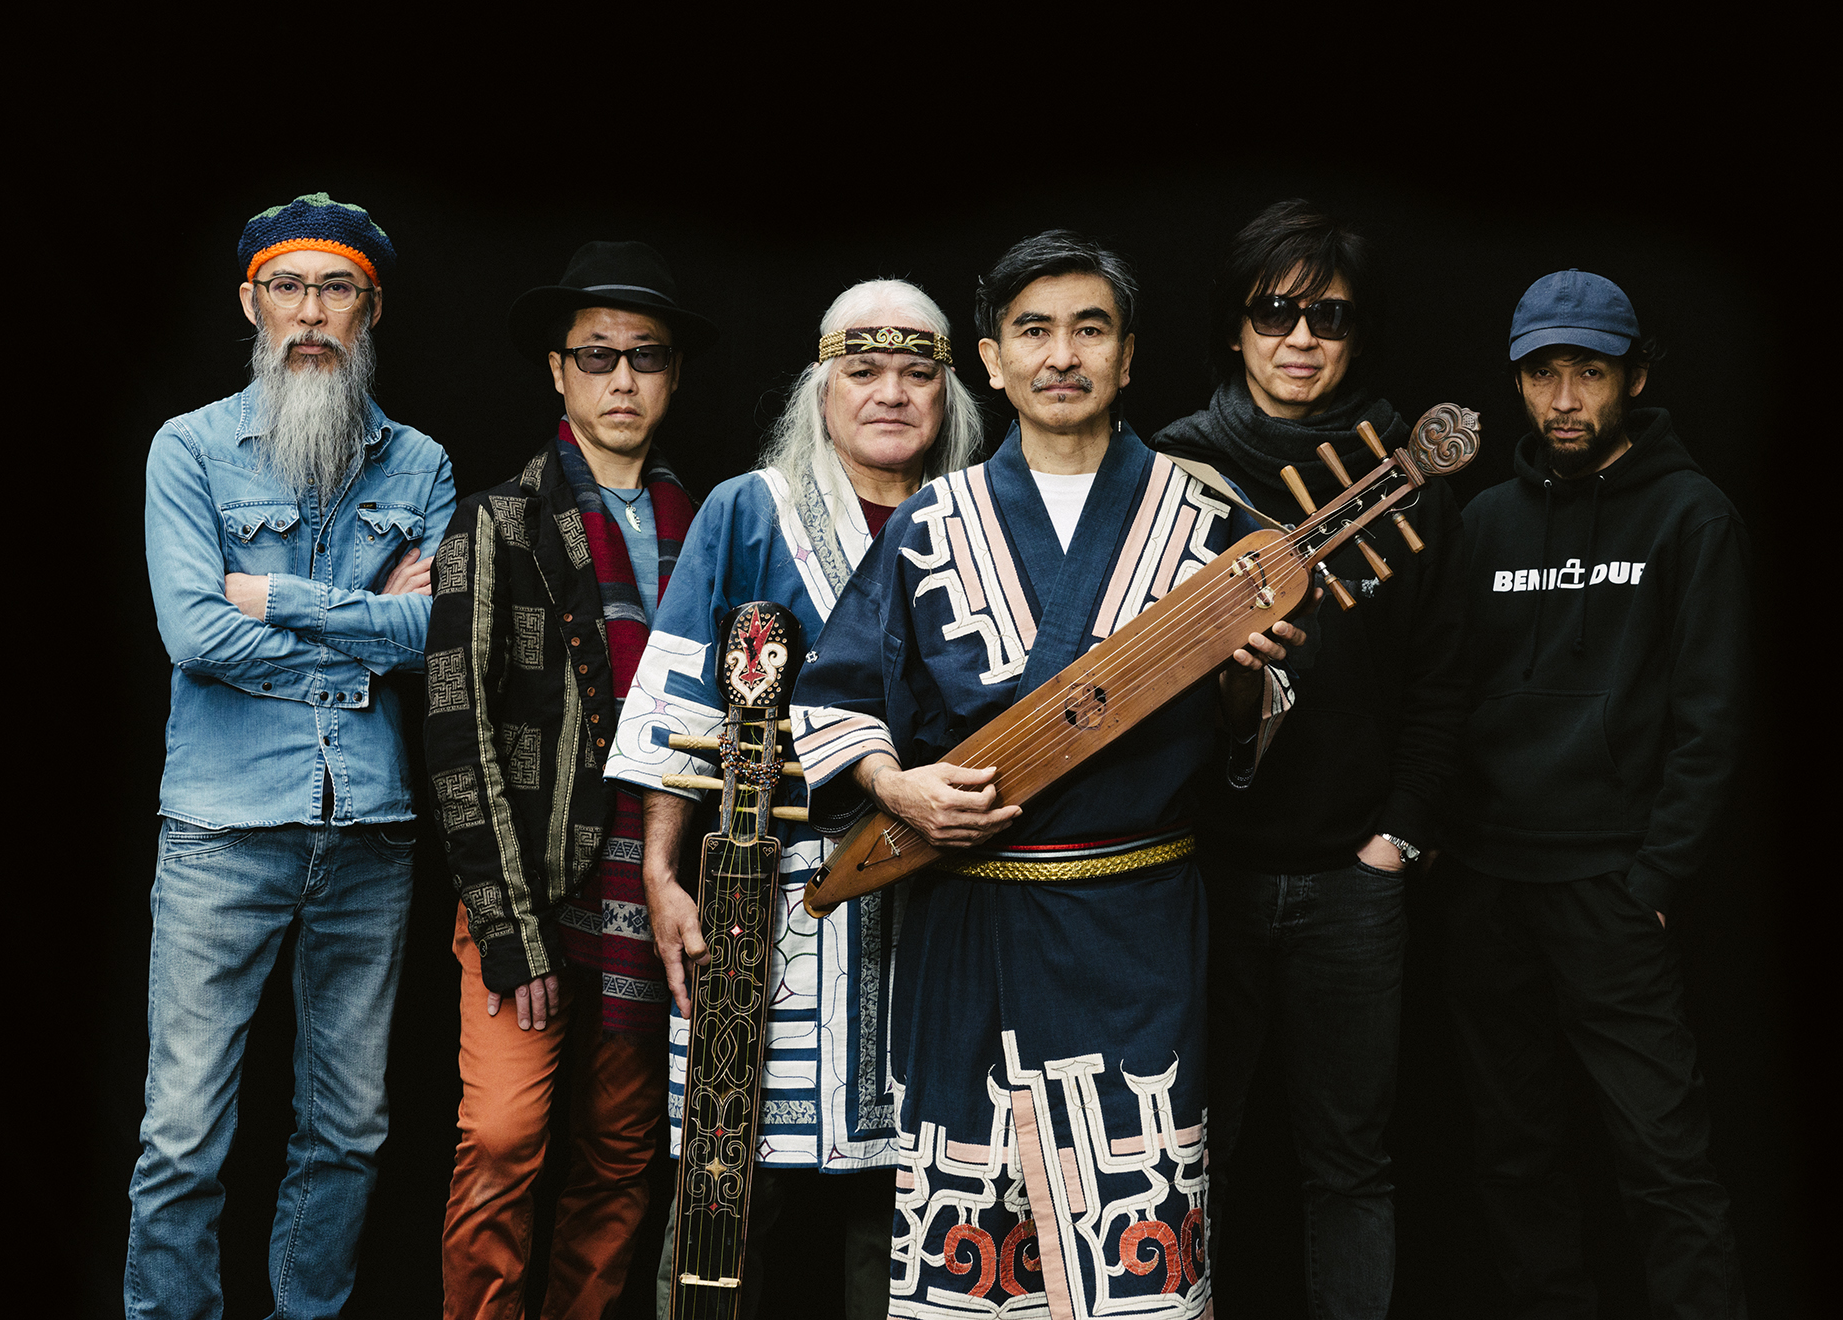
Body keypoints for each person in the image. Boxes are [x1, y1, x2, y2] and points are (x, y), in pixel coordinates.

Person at [791, 231, 1302, 1316]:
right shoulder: (932, 522)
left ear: (1128, 355)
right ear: (990, 359)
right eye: (1033, 331)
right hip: (968, 923)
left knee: (1137, 1233)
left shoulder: (1206, 520)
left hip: (1136, 923)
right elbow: (833, 698)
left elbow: (1249, 736)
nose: (1061, 355)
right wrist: (895, 787)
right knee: (976, 1247)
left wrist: (1240, 680)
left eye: (1089, 329)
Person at [609, 278, 985, 1319]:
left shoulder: (978, 518)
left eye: (916, 373)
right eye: (862, 371)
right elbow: (677, 696)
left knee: (911, 1192)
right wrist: (660, 872)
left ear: (949, 393)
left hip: (932, 892)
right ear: (822, 392)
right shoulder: (749, 511)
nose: (890, 393)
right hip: (759, 888)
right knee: (727, 1181)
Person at [128, 192, 456, 1320]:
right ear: (250, 304)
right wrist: (366, 636)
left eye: (337, 290)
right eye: (288, 288)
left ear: (373, 310)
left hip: (370, 834)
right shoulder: (189, 449)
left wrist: (275, 598)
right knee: (183, 1131)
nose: (311, 313)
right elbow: (193, 634)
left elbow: (438, 638)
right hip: (222, 829)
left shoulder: (419, 462)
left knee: (351, 1129)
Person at [1149, 199, 1457, 1317]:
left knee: (1350, 1163)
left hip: (1350, 878)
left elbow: (1442, 679)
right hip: (1203, 871)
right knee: (1190, 1149)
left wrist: (1397, 838)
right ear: (1234, 326)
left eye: (1328, 316)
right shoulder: (1172, 469)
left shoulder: (1409, 473)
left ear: (1356, 336)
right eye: (1274, 310)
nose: (1298, 338)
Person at [1442, 270, 1749, 1316]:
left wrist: (1655, 877)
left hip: (1612, 885)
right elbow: (1449, 696)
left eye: (1589, 372)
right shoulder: (1484, 520)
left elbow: (1711, 716)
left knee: (1662, 1155)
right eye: (1542, 375)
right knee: (1513, 1149)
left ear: (1635, 376)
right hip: (1489, 885)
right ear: (1517, 382)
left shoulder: (1691, 515)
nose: (1564, 399)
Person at [422, 241, 718, 1320]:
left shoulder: (714, 528)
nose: (622, 378)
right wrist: (507, 927)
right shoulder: (497, 520)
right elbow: (457, 732)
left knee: (622, 1155)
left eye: (646, 355)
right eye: (597, 356)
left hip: (657, 895)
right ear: (558, 371)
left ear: (673, 374)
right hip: (529, 888)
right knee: (502, 1139)